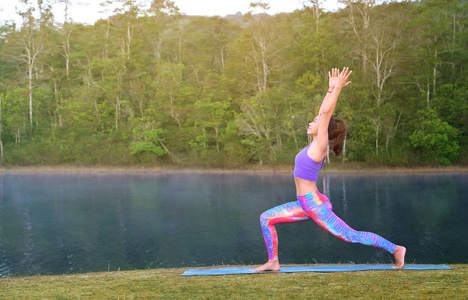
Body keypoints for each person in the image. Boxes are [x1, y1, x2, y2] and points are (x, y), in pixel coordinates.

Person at [251, 67, 406, 272]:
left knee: (351, 236)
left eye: (315, 121)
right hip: (304, 203)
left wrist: (337, 89)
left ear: (324, 128)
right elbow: (323, 112)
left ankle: (396, 249)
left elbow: (325, 113)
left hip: (314, 205)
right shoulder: (313, 144)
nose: (311, 122)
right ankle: (273, 262)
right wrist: (330, 89)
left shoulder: (320, 145)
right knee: (266, 218)